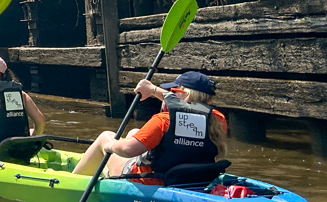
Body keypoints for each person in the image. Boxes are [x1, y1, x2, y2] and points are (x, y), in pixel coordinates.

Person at [70, 70, 228, 184]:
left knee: (105, 137)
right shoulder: (218, 121)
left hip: (151, 180)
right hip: (193, 178)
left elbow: (127, 150)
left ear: (185, 95)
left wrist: (111, 146)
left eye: (173, 91)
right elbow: (183, 107)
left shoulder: (163, 120)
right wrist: (152, 90)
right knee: (134, 132)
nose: (169, 94)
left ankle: (72, 182)